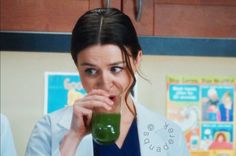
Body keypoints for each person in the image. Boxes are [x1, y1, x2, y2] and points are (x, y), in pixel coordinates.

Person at [25, 8, 189, 156]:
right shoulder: (47, 130)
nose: (104, 83)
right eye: (91, 71)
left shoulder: (168, 133)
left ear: (137, 60)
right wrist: (72, 139)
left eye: (116, 69)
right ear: (77, 67)